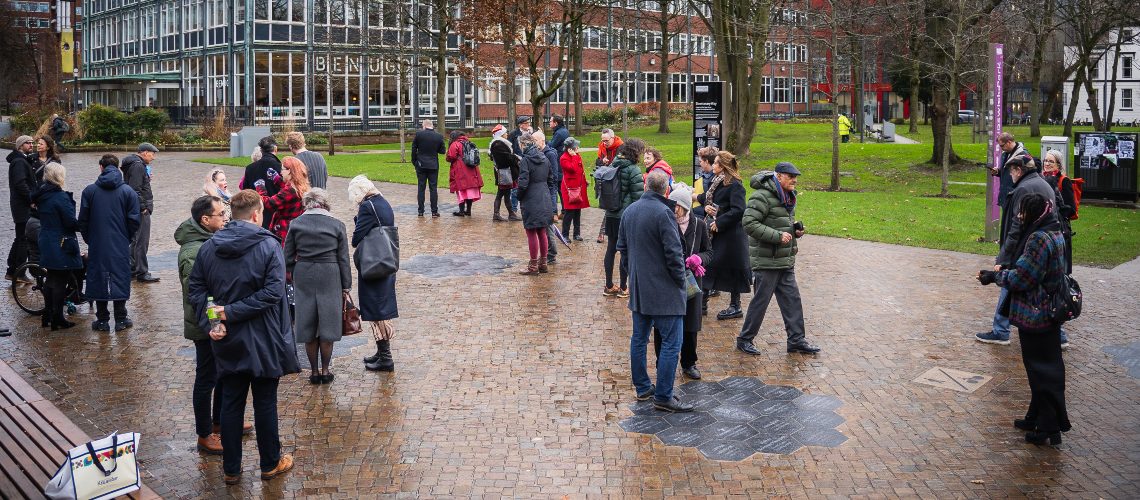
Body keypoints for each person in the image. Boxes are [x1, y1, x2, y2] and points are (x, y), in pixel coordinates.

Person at [188, 189, 298, 485]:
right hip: (263, 335)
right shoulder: (268, 245)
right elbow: (274, 293)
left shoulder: (209, 247)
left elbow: (196, 290)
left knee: (232, 402)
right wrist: (222, 314)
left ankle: (232, 469)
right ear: (256, 214)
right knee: (262, 402)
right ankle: (269, 463)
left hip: (229, 338)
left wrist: (215, 315)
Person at [976, 193, 1070, 446]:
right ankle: (1036, 415)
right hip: (1048, 310)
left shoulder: (1039, 238)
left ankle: (1048, 427)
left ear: (1033, 214)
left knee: (1042, 370)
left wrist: (994, 277)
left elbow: (1025, 277)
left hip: (1037, 313)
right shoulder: (1055, 231)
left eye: (1022, 212)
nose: (1019, 216)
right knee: (1042, 367)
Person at [176, 195, 252, 455]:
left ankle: (220, 421)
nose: (226, 217)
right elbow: (197, 295)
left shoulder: (209, 241)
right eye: (221, 214)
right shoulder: (193, 251)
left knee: (222, 373)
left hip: (216, 319)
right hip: (205, 324)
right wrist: (214, 323)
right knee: (206, 377)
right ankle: (205, 433)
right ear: (205, 219)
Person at [619, 170, 692, 413]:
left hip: (640, 288)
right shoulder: (663, 213)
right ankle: (663, 395)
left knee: (639, 339)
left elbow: (623, 250)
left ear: (646, 185)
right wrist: (681, 281)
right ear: (666, 189)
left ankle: (642, 388)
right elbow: (673, 253)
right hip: (664, 291)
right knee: (672, 342)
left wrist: (632, 277)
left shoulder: (630, 211)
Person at [735, 162, 821, 355]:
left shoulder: (788, 197)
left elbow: (781, 223)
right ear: (779, 176)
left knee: (792, 300)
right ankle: (744, 339)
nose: (794, 180)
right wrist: (777, 236)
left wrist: (795, 231)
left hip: (784, 260)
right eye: (791, 176)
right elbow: (748, 223)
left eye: (796, 177)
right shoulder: (761, 196)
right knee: (760, 302)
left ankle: (796, 340)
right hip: (766, 261)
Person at [976, 156, 1058, 346]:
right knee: (1044, 288)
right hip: (1046, 241)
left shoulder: (1023, 189)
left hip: (1027, 246)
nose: (1010, 175)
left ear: (1019, 170)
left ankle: (1000, 330)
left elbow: (1016, 226)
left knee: (1011, 283)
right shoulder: (1043, 183)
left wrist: (1003, 257)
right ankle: (1057, 334)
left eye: (1012, 171)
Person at [284, 188, 352, 385]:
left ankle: (313, 371)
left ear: (307, 204)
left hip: (304, 273)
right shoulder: (337, 224)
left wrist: (292, 274)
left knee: (307, 323)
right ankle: (325, 369)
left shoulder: (295, 224)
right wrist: (346, 285)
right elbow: (343, 259)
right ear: (324, 203)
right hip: (330, 274)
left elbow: (287, 256)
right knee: (328, 324)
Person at [651, 183, 712, 380]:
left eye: (677, 205)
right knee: (663, 323)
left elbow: (710, 252)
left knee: (690, 324)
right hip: (668, 279)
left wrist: (699, 258)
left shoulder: (700, 224)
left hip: (692, 281)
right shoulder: (665, 222)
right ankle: (662, 362)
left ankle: (689, 362)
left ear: (686, 206)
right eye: (672, 205)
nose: (673, 209)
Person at [78, 154, 140, 332]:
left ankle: (102, 319)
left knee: (98, 277)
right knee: (120, 276)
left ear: (101, 167)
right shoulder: (128, 192)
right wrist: (125, 237)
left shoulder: (89, 191)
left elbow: (83, 220)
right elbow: (134, 220)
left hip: (97, 243)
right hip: (119, 242)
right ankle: (120, 318)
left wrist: (90, 238)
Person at [348, 175, 400, 372]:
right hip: (384, 262)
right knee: (381, 307)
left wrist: (358, 217)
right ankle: (381, 352)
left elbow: (356, 238)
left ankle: (386, 357)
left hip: (373, 265)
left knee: (377, 310)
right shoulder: (382, 202)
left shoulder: (367, 207)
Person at [698, 151, 752, 320]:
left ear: (722, 166)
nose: (712, 165)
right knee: (709, 265)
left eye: (715, 163)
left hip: (732, 236)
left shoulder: (735, 184)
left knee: (732, 269)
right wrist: (708, 207)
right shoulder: (717, 182)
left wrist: (720, 221)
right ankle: (702, 304)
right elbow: (713, 201)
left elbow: (739, 210)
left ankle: (735, 306)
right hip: (718, 233)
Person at [32, 163, 82, 331]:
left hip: (46, 238)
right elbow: (70, 222)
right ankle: (58, 317)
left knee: (51, 279)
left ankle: (48, 314)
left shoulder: (42, 194)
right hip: (61, 241)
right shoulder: (60, 197)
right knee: (60, 280)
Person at [602, 138, 646, 297]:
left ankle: (608, 285)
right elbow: (638, 197)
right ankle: (623, 287)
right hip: (625, 216)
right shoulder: (633, 169)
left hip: (611, 213)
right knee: (625, 251)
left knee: (611, 249)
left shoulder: (614, 164)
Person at [516, 132, 555, 275]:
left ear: (523, 144)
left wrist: (519, 196)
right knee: (542, 231)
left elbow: (523, 182)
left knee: (531, 231)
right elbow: (551, 179)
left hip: (531, 198)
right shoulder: (544, 157)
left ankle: (533, 266)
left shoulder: (526, 160)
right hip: (544, 198)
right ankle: (543, 263)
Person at [121, 142, 160, 283]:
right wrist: (143, 207)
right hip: (140, 209)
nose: (153, 157)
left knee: (136, 240)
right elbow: (135, 189)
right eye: (152, 154)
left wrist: (146, 179)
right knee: (142, 241)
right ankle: (142, 272)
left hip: (136, 208)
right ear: (144, 152)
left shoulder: (135, 164)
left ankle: (132, 268)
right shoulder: (138, 166)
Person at [255, 156, 311, 243]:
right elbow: (286, 192)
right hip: (295, 226)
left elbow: (269, 204)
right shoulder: (300, 185)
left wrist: (260, 188)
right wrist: (276, 179)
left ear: (289, 171)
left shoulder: (290, 190)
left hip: (284, 230)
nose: (280, 172)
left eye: (282, 169)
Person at [6, 135, 38, 281]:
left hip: (20, 205)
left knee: (20, 237)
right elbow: (20, 184)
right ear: (20, 146)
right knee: (23, 238)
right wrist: (30, 200)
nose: (31, 145)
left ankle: (12, 270)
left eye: (32, 142)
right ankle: (19, 272)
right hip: (22, 206)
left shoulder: (22, 159)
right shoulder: (19, 161)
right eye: (28, 143)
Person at [241, 136, 283, 228]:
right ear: (275, 149)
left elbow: (245, 192)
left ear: (261, 150)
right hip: (277, 214)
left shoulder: (250, 168)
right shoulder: (281, 168)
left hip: (257, 212)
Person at [594, 129, 624, 243]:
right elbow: (597, 162)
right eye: (602, 140)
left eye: (606, 140)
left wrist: (610, 164)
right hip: (606, 180)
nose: (604, 143)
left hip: (617, 180)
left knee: (613, 208)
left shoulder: (621, 147)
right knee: (610, 207)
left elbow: (621, 164)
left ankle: (603, 233)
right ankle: (604, 232)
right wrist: (602, 161)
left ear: (613, 138)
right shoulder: (602, 147)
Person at [410, 120, 445, 217]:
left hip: (421, 164)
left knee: (421, 187)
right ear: (432, 126)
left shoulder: (419, 134)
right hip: (433, 165)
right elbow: (442, 151)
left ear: (425, 126)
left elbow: (413, 149)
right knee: (433, 188)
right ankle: (434, 211)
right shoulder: (438, 136)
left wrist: (415, 161)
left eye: (422, 126)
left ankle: (420, 211)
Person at [446, 129, 484, 217]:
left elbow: (451, 156)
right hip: (471, 169)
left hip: (460, 169)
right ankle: (468, 210)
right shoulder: (468, 142)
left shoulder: (455, 144)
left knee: (461, 189)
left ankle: (461, 211)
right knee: (469, 190)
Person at [489, 124, 521, 222]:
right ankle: (497, 214)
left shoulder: (499, 143)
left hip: (506, 172)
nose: (507, 134)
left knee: (506, 193)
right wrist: (517, 158)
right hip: (504, 172)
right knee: (501, 193)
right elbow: (506, 158)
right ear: (501, 134)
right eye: (505, 133)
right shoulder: (498, 144)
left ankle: (511, 214)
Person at [559, 137, 589, 241]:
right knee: (569, 212)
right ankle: (565, 234)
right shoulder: (564, 158)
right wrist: (574, 157)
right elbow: (573, 169)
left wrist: (585, 181)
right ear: (570, 148)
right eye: (576, 146)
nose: (578, 147)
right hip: (570, 190)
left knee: (577, 211)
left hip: (578, 188)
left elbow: (581, 170)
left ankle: (576, 234)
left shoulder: (576, 156)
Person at [993, 132, 1031, 207]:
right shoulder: (1005, 154)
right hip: (1005, 194)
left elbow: (1028, 175)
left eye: (1002, 146)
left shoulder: (1023, 154)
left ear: (1009, 142)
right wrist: (998, 172)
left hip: (1016, 195)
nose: (1001, 148)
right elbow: (1008, 171)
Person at [691, 147, 718, 228]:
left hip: (706, 219)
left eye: (700, 161)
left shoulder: (714, 177)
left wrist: (695, 196)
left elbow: (712, 196)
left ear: (706, 161)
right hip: (699, 215)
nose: (700, 164)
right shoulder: (705, 175)